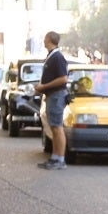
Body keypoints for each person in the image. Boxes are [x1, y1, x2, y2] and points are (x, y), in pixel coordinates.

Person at [36, 31, 70, 169]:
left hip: (56, 95)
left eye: (44, 38)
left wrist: (44, 86)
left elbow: (63, 78)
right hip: (51, 95)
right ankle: (55, 157)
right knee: (53, 127)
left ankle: (60, 159)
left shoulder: (57, 57)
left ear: (49, 39)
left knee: (57, 127)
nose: (43, 40)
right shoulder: (52, 56)